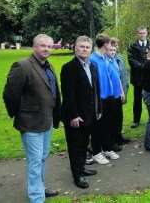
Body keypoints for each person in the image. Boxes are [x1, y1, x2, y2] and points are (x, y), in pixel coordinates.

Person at [3, 34, 61, 202]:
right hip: (30, 123)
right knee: (35, 161)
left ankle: (39, 188)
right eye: (42, 45)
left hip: (47, 120)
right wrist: (19, 114)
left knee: (42, 158)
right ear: (34, 46)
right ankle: (37, 197)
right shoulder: (22, 66)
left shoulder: (48, 66)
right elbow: (10, 95)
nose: (46, 49)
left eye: (49, 46)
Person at [60, 36, 101, 189]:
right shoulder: (68, 68)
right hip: (75, 116)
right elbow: (68, 94)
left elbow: (96, 90)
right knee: (75, 146)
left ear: (91, 49)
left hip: (90, 114)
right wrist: (73, 115)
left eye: (87, 47)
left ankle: (82, 168)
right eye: (81, 46)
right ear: (75, 48)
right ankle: (77, 175)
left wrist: (99, 109)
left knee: (84, 144)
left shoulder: (92, 66)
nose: (84, 49)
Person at [90, 34, 122, 164]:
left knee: (108, 124)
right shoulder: (93, 59)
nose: (111, 46)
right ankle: (96, 152)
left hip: (110, 96)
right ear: (105, 45)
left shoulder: (105, 58)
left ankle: (107, 148)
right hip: (100, 98)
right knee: (98, 126)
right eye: (110, 43)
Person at [128, 26, 150, 128]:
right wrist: (142, 66)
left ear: (147, 33)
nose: (142, 35)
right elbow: (131, 60)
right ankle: (136, 120)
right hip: (137, 78)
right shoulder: (132, 46)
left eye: (144, 33)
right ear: (137, 34)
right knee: (137, 100)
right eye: (140, 33)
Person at [110, 38, 131, 145]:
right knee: (113, 117)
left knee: (119, 116)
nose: (116, 48)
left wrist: (125, 87)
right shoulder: (108, 60)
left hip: (121, 90)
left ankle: (119, 136)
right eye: (113, 46)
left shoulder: (120, 58)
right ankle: (113, 138)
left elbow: (124, 72)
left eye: (116, 46)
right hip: (112, 93)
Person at [106, 44, 127, 152]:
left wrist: (122, 92)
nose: (113, 52)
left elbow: (118, 78)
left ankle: (118, 138)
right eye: (110, 50)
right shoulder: (106, 62)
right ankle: (112, 142)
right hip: (110, 95)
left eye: (114, 50)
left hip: (117, 94)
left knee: (119, 117)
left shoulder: (114, 61)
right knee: (111, 119)